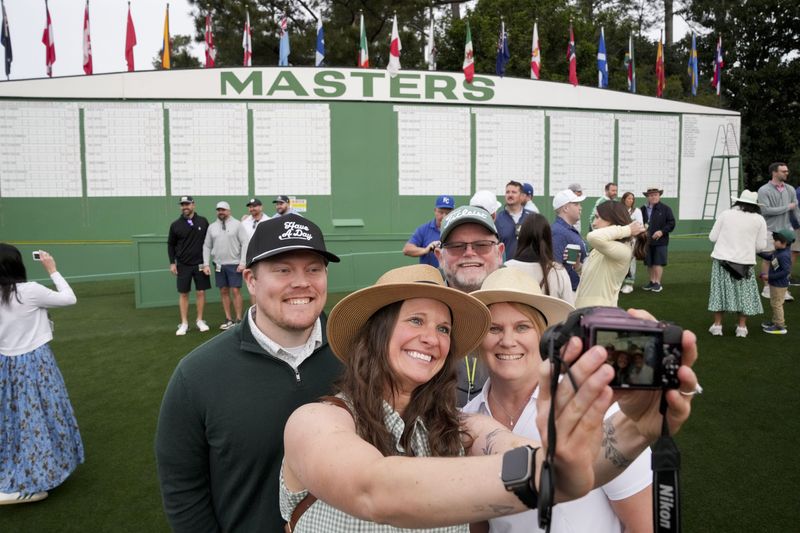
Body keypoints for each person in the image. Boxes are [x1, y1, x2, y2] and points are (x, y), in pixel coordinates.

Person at [279, 263, 699, 532]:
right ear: (376, 334)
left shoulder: (458, 425)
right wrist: (546, 475)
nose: (432, 337)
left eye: (444, 328)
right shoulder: (315, 422)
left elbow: (546, 458)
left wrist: (633, 430)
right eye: (416, 320)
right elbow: (375, 490)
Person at [156, 214, 344, 532]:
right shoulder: (197, 374)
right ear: (251, 281)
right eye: (283, 270)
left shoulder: (359, 356)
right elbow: (183, 490)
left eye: (313, 269)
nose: (301, 282)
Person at [464, 267, 653, 533]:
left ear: (543, 336)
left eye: (522, 327)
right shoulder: (465, 418)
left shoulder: (593, 404)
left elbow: (645, 523)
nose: (507, 341)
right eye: (494, 328)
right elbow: (478, 521)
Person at [0, 245, 83, 505]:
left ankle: (13, 471)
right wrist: (53, 270)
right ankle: (31, 480)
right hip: (36, 364)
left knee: (11, 420)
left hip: (4, 365)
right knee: (38, 417)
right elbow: (69, 298)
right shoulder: (30, 291)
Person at [434, 206, 505, 406]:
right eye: (457, 246)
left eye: (482, 245)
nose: (469, 253)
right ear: (440, 256)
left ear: (499, 253)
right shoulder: (423, 315)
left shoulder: (523, 312)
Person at [707, 190, 769, 338]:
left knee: (719, 293)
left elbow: (712, 237)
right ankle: (741, 328)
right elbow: (761, 246)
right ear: (755, 205)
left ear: (738, 201)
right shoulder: (759, 219)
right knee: (744, 295)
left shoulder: (726, 214)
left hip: (722, 260)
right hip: (745, 263)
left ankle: (717, 326)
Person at [575, 201, 646, 308]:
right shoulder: (606, 247)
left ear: (612, 220)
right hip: (586, 312)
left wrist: (627, 229)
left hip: (598, 314)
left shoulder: (623, 250)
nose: (594, 223)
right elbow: (596, 276)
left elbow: (592, 237)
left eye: (598, 217)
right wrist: (578, 267)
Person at [505, 213, 574, 304]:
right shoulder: (558, 271)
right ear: (548, 238)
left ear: (521, 237)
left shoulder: (506, 268)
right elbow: (569, 309)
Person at [167, 196, 211, 336]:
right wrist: (172, 262)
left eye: (187, 204)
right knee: (184, 293)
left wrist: (207, 263)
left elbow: (209, 242)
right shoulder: (175, 225)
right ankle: (184, 323)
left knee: (201, 292)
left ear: (193, 205)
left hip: (200, 264)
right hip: (183, 265)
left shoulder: (203, 221)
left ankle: (199, 320)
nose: (185, 207)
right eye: (182, 205)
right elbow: (170, 244)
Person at [757, 162, 800, 300]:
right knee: (768, 259)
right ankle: (767, 288)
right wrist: (787, 207)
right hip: (770, 230)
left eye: (787, 171)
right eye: (783, 171)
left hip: (786, 231)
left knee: (784, 260)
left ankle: (783, 288)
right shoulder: (764, 190)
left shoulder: (790, 189)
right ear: (774, 172)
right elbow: (766, 211)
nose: (787, 173)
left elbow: (795, 210)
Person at [202, 201, 245, 330]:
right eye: (219, 210)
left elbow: (245, 243)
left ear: (229, 211)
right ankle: (228, 319)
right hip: (219, 265)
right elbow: (207, 246)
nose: (221, 212)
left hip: (235, 264)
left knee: (236, 291)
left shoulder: (238, 225)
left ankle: (238, 320)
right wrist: (206, 264)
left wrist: (243, 262)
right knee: (224, 291)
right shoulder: (212, 227)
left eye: (224, 210)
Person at [758, 229, 795, 334]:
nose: (774, 242)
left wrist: (769, 277)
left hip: (779, 285)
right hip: (776, 284)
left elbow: (785, 271)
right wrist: (758, 252)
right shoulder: (779, 252)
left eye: (776, 241)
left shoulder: (784, 256)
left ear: (784, 243)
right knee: (775, 303)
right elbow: (770, 257)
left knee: (777, 304)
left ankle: (780, 326)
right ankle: (776, 322)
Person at [551, 189, 588, 293]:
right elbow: (556, 270)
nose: (580, 207)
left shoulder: (567, 229)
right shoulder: (558, 232)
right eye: (576, 204)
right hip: (569, 291)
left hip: (575, 288)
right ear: (566, 208)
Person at [402, 195, 455, 268]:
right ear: (435, 211)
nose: (444, 216)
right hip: (429, 276)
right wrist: (426, 250)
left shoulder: (457, 230)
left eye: (447, 213)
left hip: (452, 276)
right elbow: (407, 250)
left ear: (453, 212)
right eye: (441, 212)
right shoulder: (424, 229)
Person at [640, 187, 675, 293]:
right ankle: (651, 281)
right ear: (647, 197)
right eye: (651, 195)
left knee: (658, 262)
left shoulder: (666, 209)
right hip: (646, 241)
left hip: (661, 241)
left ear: (659, 196)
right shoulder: (642, 209)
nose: (653, 197)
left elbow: (671, 223)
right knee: (649, 262)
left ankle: (657, 283)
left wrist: (661, 231)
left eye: (655, 195)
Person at [496, 181, 535, 259]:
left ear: (521, 196)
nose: (510, 195)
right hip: (506, 267)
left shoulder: (532, 217)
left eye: (514, 192)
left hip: (527, 266)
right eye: (507, 192)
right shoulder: (497, 219)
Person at [620, 192, 644, 293]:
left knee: (631, 262)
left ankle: (629, 284)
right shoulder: (619, 210)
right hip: (620, 239)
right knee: (620, 261)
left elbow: (640, 225)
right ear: (624, 199)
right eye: (628, 198)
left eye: (632, 199)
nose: (630, 200)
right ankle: (619, 282)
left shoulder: (636, 211)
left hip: (632, 240)